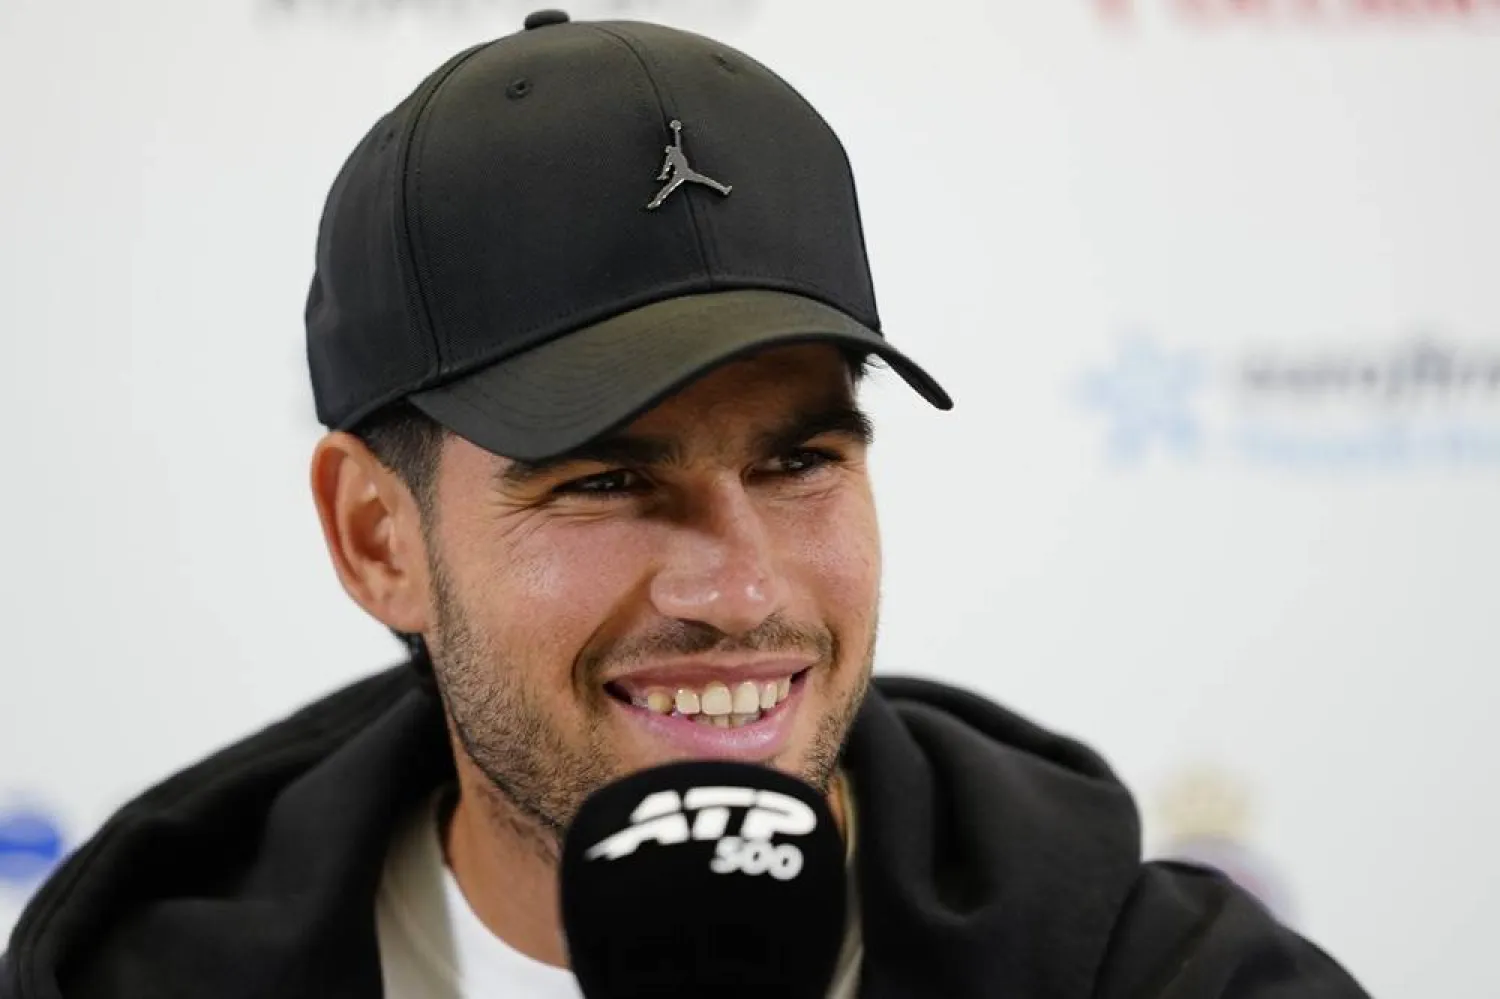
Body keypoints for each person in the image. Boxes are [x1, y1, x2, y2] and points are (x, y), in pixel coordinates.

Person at [1, 10, 1369, 998]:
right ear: (378, 538)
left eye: (798, 462)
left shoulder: (1178, 978)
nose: (745, 588)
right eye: (606, 480)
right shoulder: (127, 974)